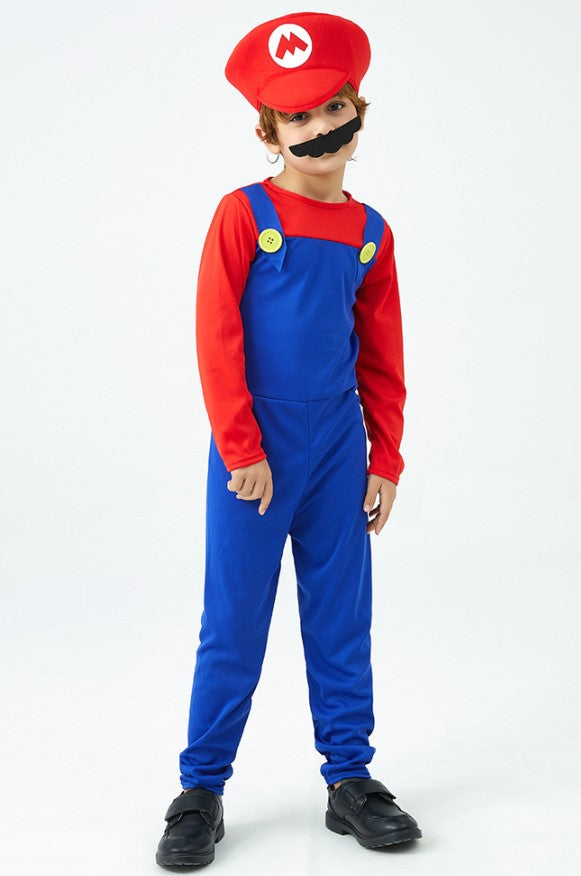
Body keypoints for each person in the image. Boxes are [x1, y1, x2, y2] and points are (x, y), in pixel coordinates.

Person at [156, 11, 422, 869]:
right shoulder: (244, 214)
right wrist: (241, 448)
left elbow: (381, 353)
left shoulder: (370, 231)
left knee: (341, 614)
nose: (318, 128)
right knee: (234, 618)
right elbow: (216, 335)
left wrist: (384, 456)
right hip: (258, 450)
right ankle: (201, 788)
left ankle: (350, 778)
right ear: (269, 133)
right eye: (296, 117)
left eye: (332, 108)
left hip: (338, 445)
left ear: (357, 113)